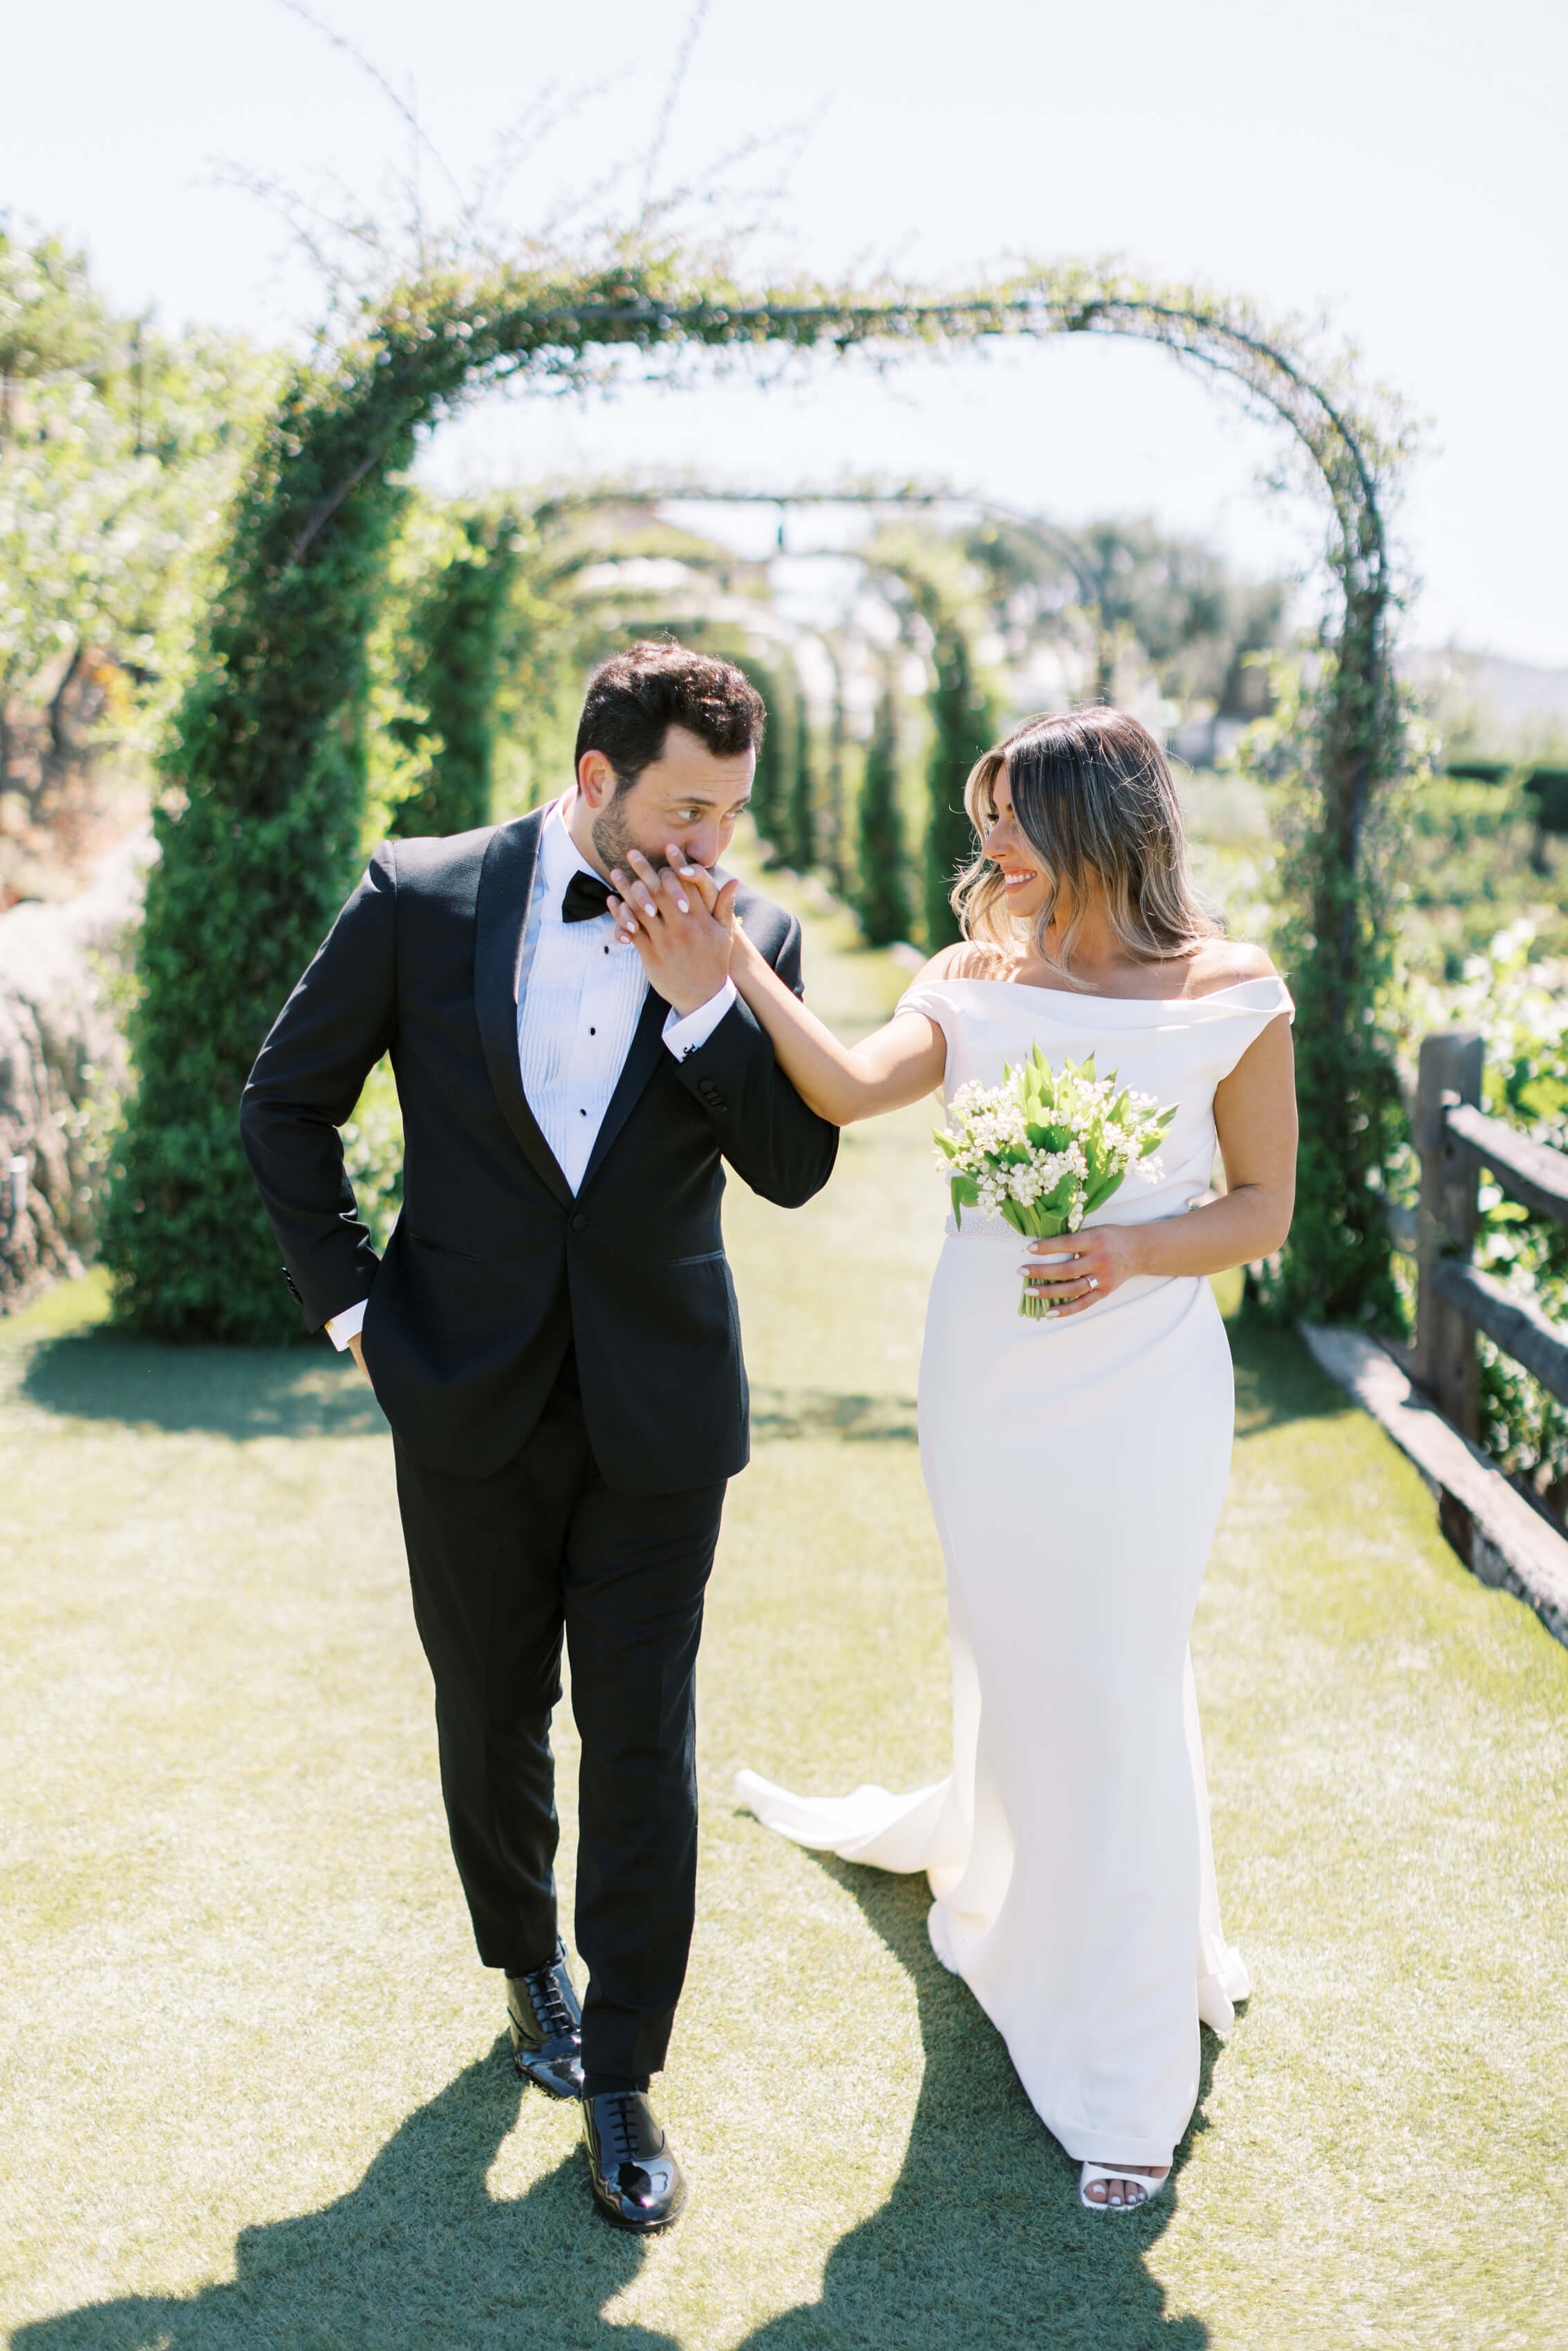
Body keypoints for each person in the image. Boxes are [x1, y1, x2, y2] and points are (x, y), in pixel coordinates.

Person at [607, 706, 1296, 2213]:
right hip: (988, 1373)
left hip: (1145, 1381)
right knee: (1021, 1654)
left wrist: (1129, 1248)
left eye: (1012, 822)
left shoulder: (1232, 990)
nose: (988, 851)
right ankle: (1019, 1897)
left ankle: (1122, 2066)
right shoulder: (972, 979)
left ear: (1102, 824)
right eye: (985, 820)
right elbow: (850, 1086)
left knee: (1118, 1670)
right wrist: (728, 973)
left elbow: (1260, 1210)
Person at [239, 641, 839, 2234]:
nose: (715, 845)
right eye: (689, 808)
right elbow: (282, 1102)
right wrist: (358, 1313)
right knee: (490, 1706)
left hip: (660, 1409)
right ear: (596, 781)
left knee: (644, 1736)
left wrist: (707, 1000)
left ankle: (629, 2073)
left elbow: (794, 1167)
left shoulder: (755, 933)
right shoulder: (423, 894)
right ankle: (530, 1969)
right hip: (459, 1393)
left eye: (733, 812)